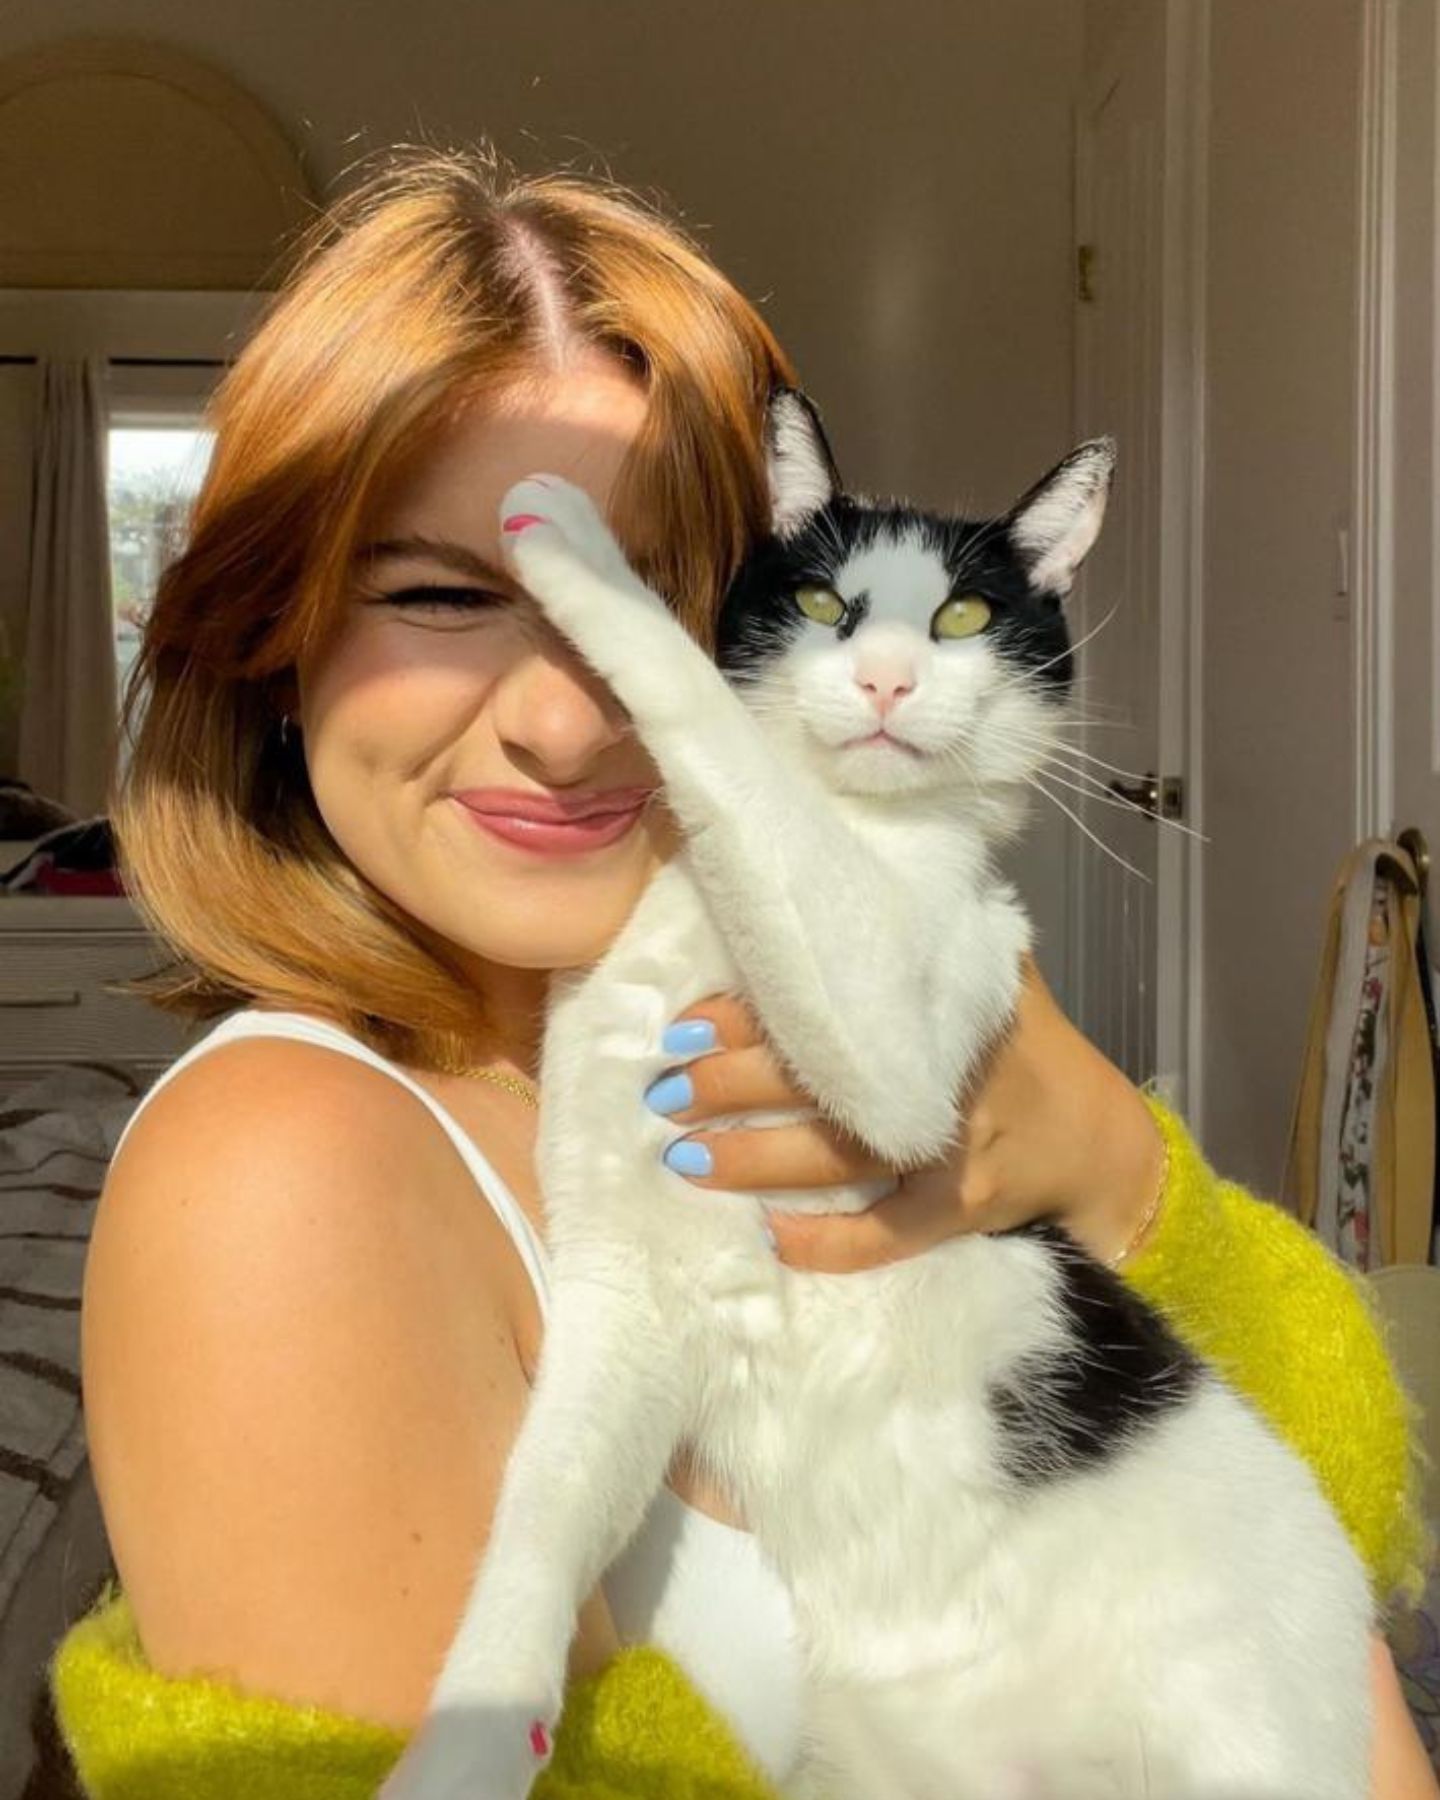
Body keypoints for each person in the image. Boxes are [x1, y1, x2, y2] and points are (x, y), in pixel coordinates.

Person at [53, 151, 1436, 1799]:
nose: (563, 725)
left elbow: (1321, 1603)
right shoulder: (283, 1176)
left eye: (656, 602)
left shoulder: (907, 1026)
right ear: (277, 638)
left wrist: (1120, 1168)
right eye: (438, 596)